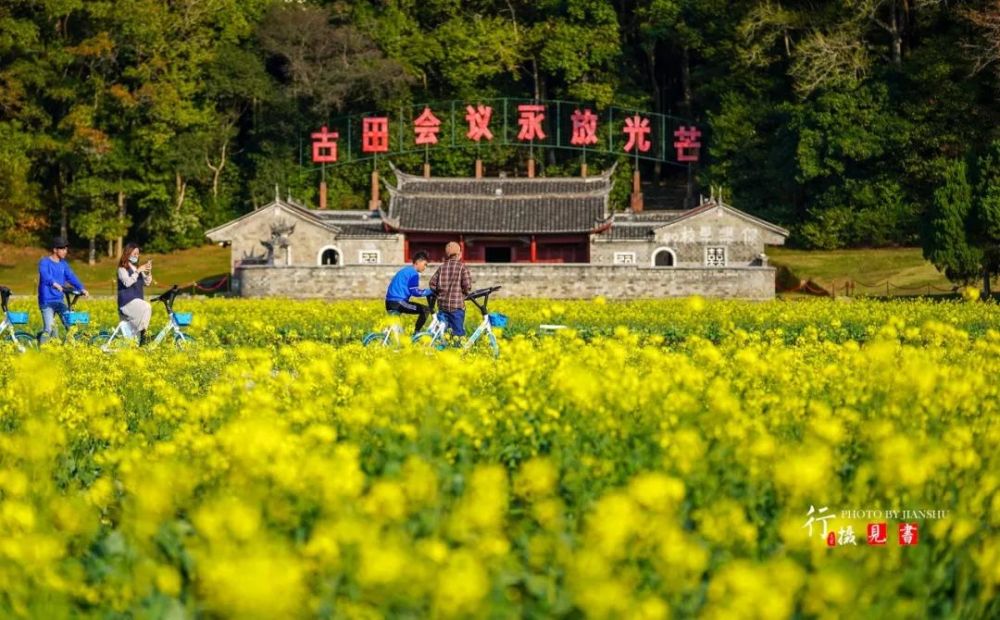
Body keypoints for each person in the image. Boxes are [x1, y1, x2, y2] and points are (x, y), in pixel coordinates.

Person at [37, 236, 88, 341]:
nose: (65, 251)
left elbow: (71, 277)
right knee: (49, 329)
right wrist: (54, 283)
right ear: (55, 250)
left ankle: (71, 349)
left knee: (70, 326)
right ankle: (41, 354)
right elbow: (45, 275)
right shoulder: (44, 262)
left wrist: (81, 288)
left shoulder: (63, 264)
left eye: (66, 248)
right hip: (46, 301)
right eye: (62, 249)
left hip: (59, 300)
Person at [429, 241, 472, 337]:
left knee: (443, 334)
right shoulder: (462, 268)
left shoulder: (441, 267)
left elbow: (432, 283)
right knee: (457, 334)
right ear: (458, 254)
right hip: (456, 307)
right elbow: (467, 286)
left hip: (442, 306)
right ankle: (457, 350)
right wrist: (463, 295)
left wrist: (439, 294)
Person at [384, 251, 434, 333]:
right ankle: (416, 333)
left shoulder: (405, 270)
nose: (425, 267)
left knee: (398, 332)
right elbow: (416, 292)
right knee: (425, 310)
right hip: (399, 302)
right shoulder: (413, 273)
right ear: (418, 262)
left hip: (389, 302)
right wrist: (430, 291)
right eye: (425, 264)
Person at [117, 243, 153, 344]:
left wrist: (148, 272)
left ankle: (140, 335)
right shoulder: (122, 269)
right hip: (126, 302)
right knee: (147, 307)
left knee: (133, 339)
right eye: (134, 253)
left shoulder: (136, 268)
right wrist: (138, 271)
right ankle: (143, 334)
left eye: (138, 254)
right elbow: (127, 283)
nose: (136, 256)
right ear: (128, 254)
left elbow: (147, 282)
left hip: (136, 301)